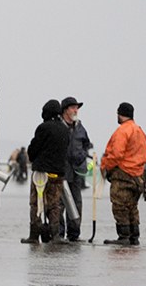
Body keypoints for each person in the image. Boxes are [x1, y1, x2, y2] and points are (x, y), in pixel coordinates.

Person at [21, 99, 69, 244]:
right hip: (58, 173)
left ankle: (34, 235)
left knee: (36, 203)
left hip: (41, 173)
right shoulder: (64, 129)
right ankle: (55, 235)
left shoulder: (43, 128)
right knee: (54, 205)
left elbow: (34, 149)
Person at [100, 102, 146, 244]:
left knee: (120, 205)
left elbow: (116, 154)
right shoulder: (139, 131)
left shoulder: (122, 131)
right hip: (138, 175)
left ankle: (124, 236)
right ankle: (134, 236)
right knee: (132, 206)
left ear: (120, 114)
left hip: (123, 173)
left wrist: (105, 166)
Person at [61, 96, 93, 241]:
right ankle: (58, 233)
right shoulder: (59, 126)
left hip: (77, 170)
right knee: (60, 203)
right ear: (65, 110)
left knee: (76, 201)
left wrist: (83, 156)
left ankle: (74, 233)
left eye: (77, 107)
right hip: (61, 170)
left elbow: (87, 144)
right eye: (73, 107)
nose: (76, 110)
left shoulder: (80, 127)